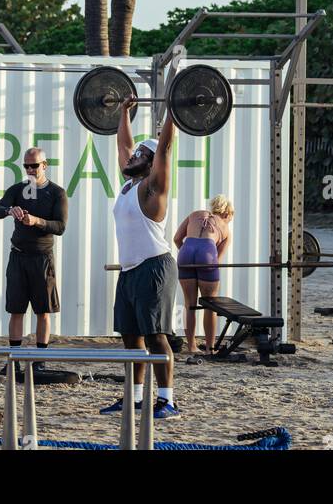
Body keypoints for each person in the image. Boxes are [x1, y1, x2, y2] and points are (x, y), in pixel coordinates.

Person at [99, 98, 179, 420]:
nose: (132, 156)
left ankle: (167, 401)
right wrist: (123, 112)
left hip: (155, 267)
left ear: (149, 164)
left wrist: (173, 110)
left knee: (157, 337)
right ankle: (132, 400)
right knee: (131, 338)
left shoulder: (152, 189)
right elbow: (124, 143)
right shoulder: (128, 186)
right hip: (130, 271)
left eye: (140, 155)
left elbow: (164, 151)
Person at [0, 147, 67, 373]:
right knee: (16, 309)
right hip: (18, 255)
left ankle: (40, 361)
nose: (30, 170)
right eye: (26, 166)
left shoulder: (56, 193)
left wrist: (36, 221)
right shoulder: (17, 189)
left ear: (45, 165)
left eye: (34, 165)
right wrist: (9, 210)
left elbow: (60, 226)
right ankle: (13, 360)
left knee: (43, 310)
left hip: (42, 257)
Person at [174, 196, 234, 355]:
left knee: (189, 304)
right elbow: (217, 261)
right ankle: (209, 348)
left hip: (186, 252)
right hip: (207, 254)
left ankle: (192, 346)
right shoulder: (225, 228)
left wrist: (186, 255)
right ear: (227, 214)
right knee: (210, 305)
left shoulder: (195, 214)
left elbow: (177, 239)